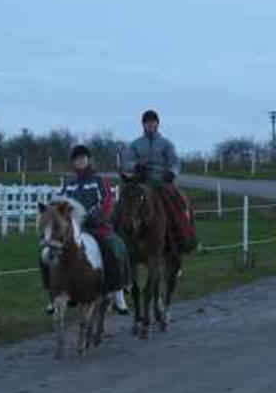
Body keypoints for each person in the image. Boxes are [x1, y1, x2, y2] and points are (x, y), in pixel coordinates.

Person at [40, 144, 131, 315]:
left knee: (116, 245)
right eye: (77, 159)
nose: (80, 162)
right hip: (71, 230)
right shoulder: (69, 185)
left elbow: (107, 202)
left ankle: (118, 292)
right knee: (45, 251)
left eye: (83, 158)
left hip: (95, 227)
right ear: (73, 163)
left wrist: (93, 218)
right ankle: (51, 294)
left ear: (89, 160)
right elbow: (59, 206)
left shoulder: (99, 182)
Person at [120, 109, 198, 255]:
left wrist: (172, 173)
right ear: (143, 125)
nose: (150, 126)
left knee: (177, 200)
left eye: (153, 123)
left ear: (157, 124)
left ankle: (185, 234)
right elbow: (126, 161)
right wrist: (135, 166)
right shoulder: (135, 144)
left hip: (161, 180)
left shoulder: (166, 144)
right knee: (125, 199)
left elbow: (175, 161)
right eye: (147, 123)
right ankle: (117, 231)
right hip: (141, 180)